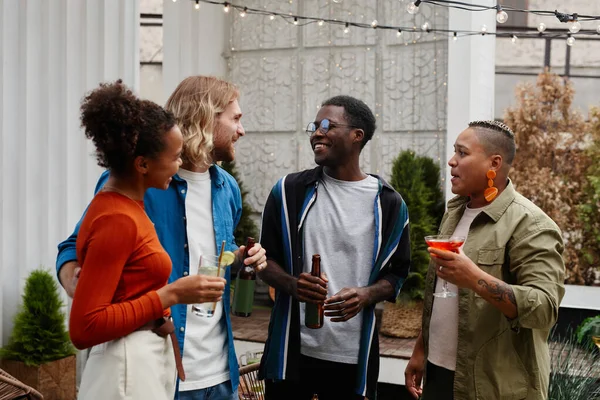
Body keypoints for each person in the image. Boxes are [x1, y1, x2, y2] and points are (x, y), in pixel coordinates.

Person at [57, 76, 267, 400]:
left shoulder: (228, 189)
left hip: (219, 371)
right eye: (236, 118)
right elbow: (76, 247)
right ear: (205, 118)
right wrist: (81, 285)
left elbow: (210, 257)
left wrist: (241, 258)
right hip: (156, 368)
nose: (242, 129)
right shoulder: (137, 185)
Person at [257, 95, 411, 400]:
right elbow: (265, 259)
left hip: (352, 358)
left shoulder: (389, 203)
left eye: (327, 125)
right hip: (291, 354)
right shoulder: (288, 191)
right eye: (314, 126)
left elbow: (398, 274)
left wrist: (367, 294)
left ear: (357, 136)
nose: (317, 132)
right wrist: (292, 284)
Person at [404, 120, 565, 400]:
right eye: (454, 152)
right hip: (438, 374)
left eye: (463, 153)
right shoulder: (454, 212)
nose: (452, 161)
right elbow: (444, 297)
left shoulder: (531, 224)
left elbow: (545, 309)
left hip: (492, 386)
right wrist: (421, 349)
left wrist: (475, 279)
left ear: (494, 163)